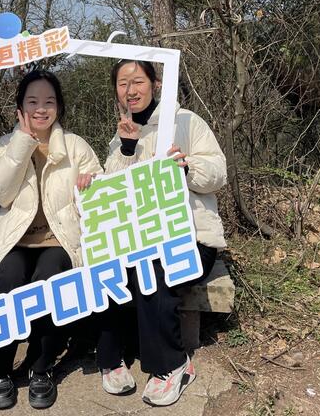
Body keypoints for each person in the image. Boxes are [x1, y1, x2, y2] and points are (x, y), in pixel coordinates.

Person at [95, 60, 227, 407]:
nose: (130, 90)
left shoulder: (186, 121)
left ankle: (172, 364)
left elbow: (218, 173)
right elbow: (110, 190)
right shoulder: (120, 134)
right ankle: (112, 357)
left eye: (137, 81)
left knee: (152, 269)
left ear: (155, 83)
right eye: (122, 83)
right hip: (139, 238)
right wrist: (126, 149)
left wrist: (186, 168)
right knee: (106, 268)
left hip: (192, 238)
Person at [0, 70, 102, 410]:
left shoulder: (75, 146)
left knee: (50, 282)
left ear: (59, 106)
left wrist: (90, 186)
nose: (41, 109)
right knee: (7, 279)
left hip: (58, 239)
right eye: (32, 102)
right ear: (20, 108)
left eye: (49, 101)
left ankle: (41, 366)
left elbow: (99, 193)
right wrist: (21, 143)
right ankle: (0, 368)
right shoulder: (5, 145)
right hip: (14, 241)